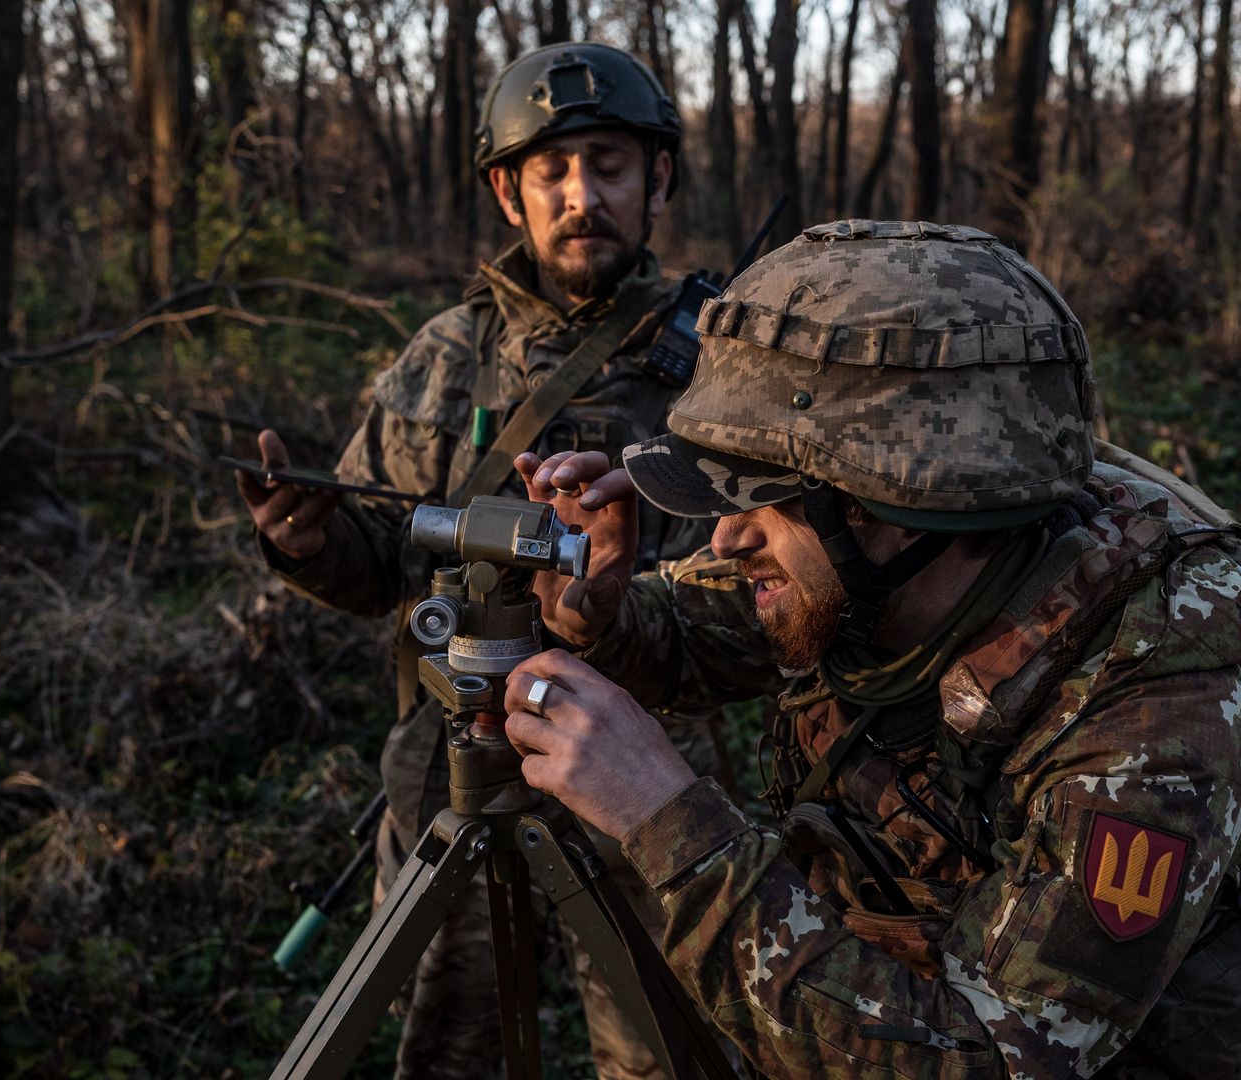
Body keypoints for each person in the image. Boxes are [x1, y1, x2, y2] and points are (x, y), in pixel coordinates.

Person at [498, 220, 1241, 1078]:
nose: (728, 539)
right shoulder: (873, 569)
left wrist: (671, 821)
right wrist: (600, 617)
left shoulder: (1160, 705)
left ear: (899, 514)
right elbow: (716, 627)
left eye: (763, 501)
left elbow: (990, 1059)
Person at [236, 42, 724, 1080]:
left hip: (650, 764)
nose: (581, 194)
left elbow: (761, 582)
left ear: (659, 179)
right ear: (509, 192)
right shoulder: (446, 354)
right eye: (550, 170)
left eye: (609, 163)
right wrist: (307, 538)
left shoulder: (724, 363)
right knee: (444, 1039)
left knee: (662, 1046)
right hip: (456, 760)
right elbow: (380, 566)